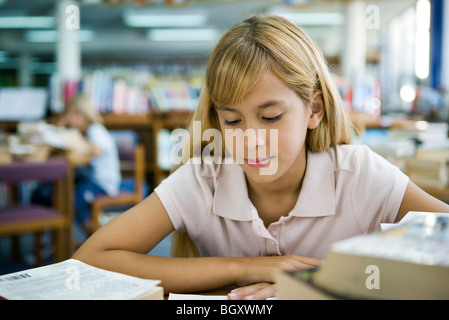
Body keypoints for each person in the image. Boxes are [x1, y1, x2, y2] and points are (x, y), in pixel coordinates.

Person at [73, 15, 449, 299]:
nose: (251, 140)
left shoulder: (360, 174)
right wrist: (246, 269)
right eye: (232, 120)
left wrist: (314, 287)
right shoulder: (203, 179)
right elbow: (92, 257)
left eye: (271, 117)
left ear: (314, 110)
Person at [60, 95, 121, 234]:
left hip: (103, 183)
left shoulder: (95, 130)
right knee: (64, 189)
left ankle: (91, 233)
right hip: (91, 178)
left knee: (75, 196)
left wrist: (79, 143)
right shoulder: (87, 131)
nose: (69, 117)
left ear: (84, 114)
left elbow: (98, 150)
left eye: (73, 113)